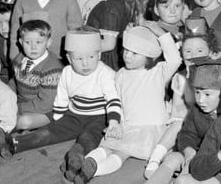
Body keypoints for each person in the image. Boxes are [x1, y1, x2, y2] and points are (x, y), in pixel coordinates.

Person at [0, 30, 123, 182]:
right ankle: (14, 144)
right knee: (49, 132)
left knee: (90, 136)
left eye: (91, 57)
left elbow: (113, 99)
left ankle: (76, 157)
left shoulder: (105, 73)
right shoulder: (67, 72)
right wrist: (57, 118)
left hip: (100, 117)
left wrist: (113, 122)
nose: (85, 63)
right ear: (69, 58)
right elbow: (62, 96)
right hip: (74, 114)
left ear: (99, 55)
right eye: (79, 58)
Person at [77, 23, 181, 183]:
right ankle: (82, 166)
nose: (127, 56)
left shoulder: (158, 72)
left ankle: (94, 172)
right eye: (126, 50)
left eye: (134, 53)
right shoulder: (121, 74)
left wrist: (160, 33)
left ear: (149, 57)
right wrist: (116, 123)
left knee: (121, 153)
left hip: (147, 129)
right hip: (126, 126)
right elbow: (117, 101)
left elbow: (175, 58)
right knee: (105, 146)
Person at [151, 57, 221, 183]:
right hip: (194, 154)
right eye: (197, 92)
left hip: (217, 165)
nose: (200, 100)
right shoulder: (196, 110)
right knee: (172, 159)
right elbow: (186, 134)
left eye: (207, 94)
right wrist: (189, 153)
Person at [86, 0, 145, 70]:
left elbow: (108, 44)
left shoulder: (110, 8)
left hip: (104, 62)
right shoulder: (125, 3)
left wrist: (83, 48)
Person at [11, 17, 63, 130]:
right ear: (21, 42)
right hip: (22, 103)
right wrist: (5, 97)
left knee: (23, 122)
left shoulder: (53, 69)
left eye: (39, 42)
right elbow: (14, 82)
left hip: (48, 109)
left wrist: (16, 108)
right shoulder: (18, 59)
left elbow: (45, 104)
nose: (33, 47)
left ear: (48, 42)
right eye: (28, 42)